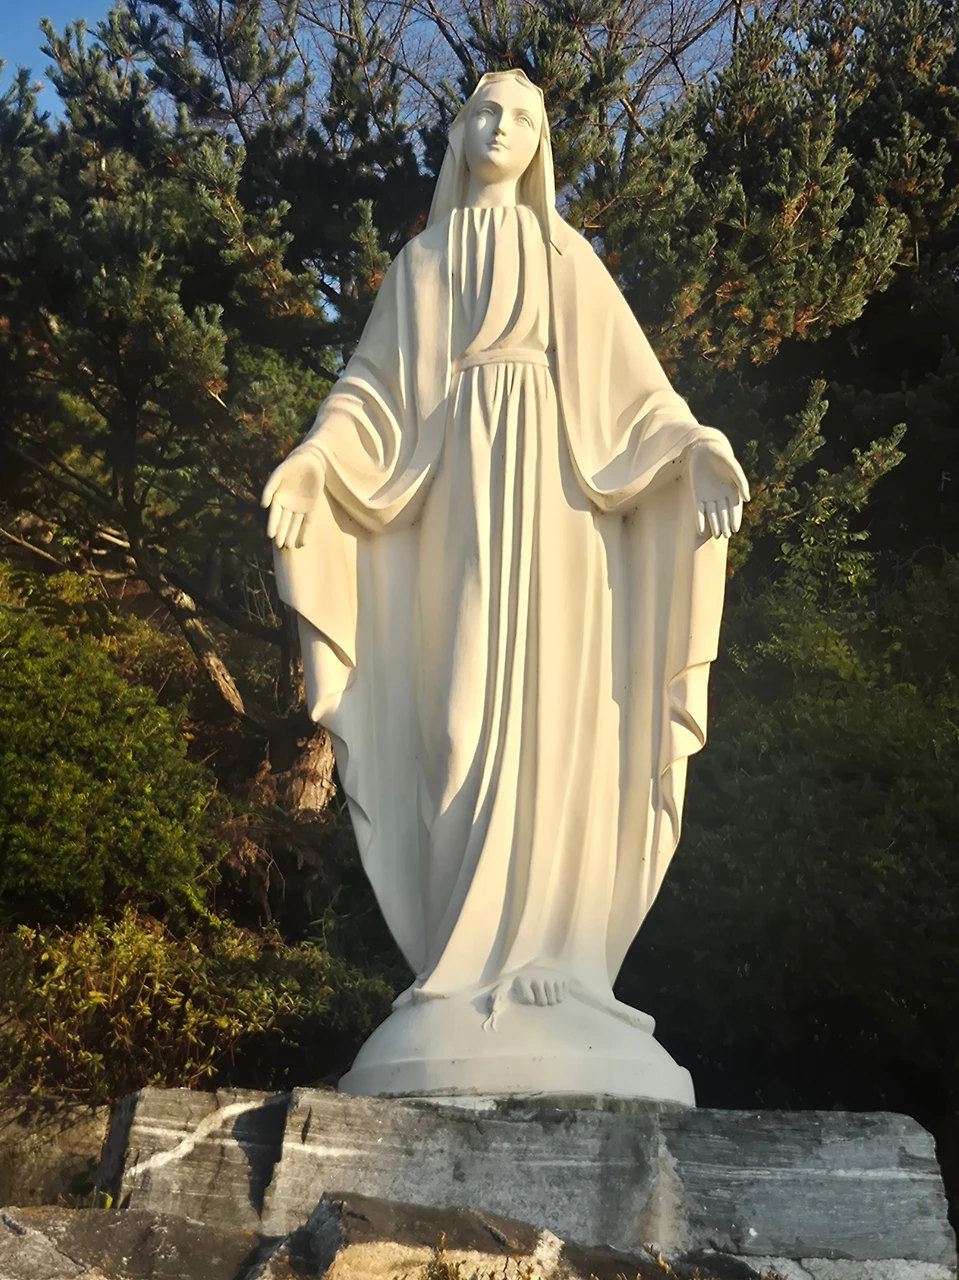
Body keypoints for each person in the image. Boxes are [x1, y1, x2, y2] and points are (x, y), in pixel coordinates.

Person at [262, 70, 748, 1101]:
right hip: (456, 505)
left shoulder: (567, 257)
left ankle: (556, 962)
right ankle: (460, 963)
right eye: (485, 111)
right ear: (458, 132)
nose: (501, 127)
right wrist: (315, 459)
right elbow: (370, 393)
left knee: (559, 720)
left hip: (564, 509)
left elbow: (640, 395)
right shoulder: (423, 263)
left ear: (540, 145)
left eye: (523, 118)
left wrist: (695, 447)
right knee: (458, 718)